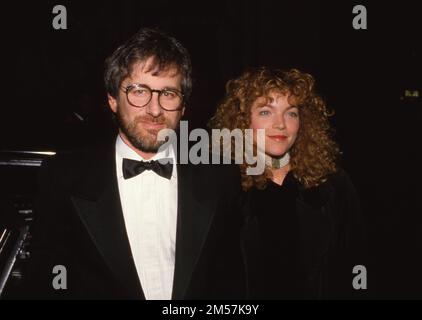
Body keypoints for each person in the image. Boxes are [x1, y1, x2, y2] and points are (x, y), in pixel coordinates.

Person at [19, 28, 246, 299]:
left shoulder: (220, 177)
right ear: (112, 99)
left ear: (184, 106)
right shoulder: (64, 177)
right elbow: (45, 282)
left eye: (169, 94)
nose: (154, 109)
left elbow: (231, 283)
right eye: (139, 92)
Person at [210, 67, 367, 299]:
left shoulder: (333, 184)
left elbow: (355, 262)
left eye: (291, 113)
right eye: (265, 112)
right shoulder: (222, 186)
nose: (280, 124)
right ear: (242, 120)